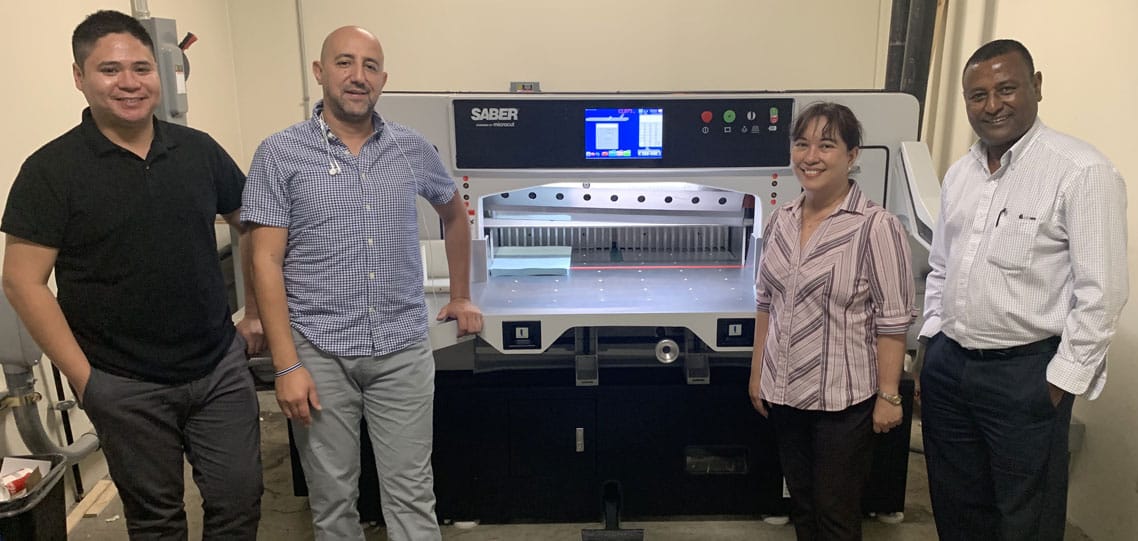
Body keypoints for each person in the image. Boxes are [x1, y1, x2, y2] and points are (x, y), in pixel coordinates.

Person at [0, 10, 266, 539]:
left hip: (218, 370)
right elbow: (22, 281)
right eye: (110, 70)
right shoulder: (50, 171)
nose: (129, 83)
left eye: (142, 68)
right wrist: (85, 379)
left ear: (159, 74)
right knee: (156, 520)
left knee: (239, 503)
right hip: (124, 383)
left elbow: (253, 227)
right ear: (80, 77)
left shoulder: (198, 151)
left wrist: (254, 315)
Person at [242, 26, 482, 541]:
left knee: (413, 496)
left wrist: (461, 294)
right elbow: (264, 260)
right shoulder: (280, 153)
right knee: (332, 503)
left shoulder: (410, 148)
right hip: (319, 352)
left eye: (370, 66)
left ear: (383, 79)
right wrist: (286, 365)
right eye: (345, 63)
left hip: (401, 349)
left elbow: (455, 214)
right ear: (319, 72)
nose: (358, 76)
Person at [918, 39, 1128, 541]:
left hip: (1026, 375)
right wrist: (930, 341)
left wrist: (1060, 381)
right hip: (950, 367)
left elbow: (1102, 292)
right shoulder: (960, 174)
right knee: (957, 506)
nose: (992, 105)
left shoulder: (1081, 171)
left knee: (1024, 518)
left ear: (1036, 86)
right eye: (977, 94)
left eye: (1006, 89)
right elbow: (941, 265)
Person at [748, 102, 916, 540]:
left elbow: (893, 321)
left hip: (844, 402)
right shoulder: (782, 220)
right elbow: (767, 302)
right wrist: (757, 376)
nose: (810, 156)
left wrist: (889, 396)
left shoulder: (876, 226)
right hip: (786, 394)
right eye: (801, 144)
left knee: (836, 514)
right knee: (802, 506)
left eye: (826, 145)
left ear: (852, 154)